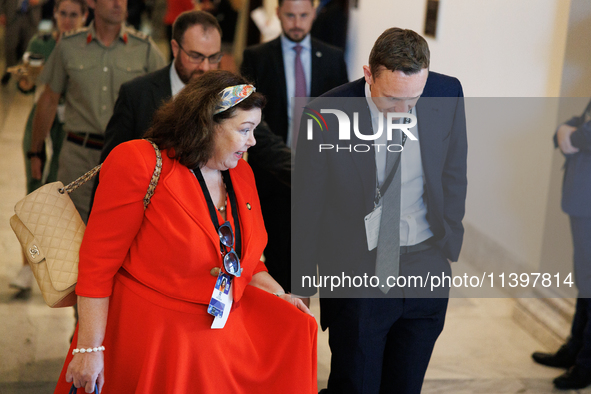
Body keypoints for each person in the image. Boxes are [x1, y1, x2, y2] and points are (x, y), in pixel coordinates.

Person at [53, 70, 318, 394]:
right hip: (150, 341)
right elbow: (97, 264)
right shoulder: (139, 162)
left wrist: (281, 295)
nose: (253, 142)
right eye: (245, 130)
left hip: (213, 341)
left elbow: (245, 263)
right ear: (208, 124)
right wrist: (89, 348)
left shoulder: (242, 173)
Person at [292, 28, 467, 394]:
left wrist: (447, 246)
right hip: (359, 270)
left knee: (405, 386)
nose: (403, 111)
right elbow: (308, 204)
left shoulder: (446, 92)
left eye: (413, 100)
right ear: (368, 74)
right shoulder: (324, 113)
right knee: (356, 385)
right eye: (391, 99)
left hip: (424, 266)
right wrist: (303, 281)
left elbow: (454, 172)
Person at [96, 10, 291, 209]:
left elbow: (269, 147)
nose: (205, 67)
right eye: (196, 56)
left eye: (213, 57)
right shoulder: (137, 94)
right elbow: (109, 167)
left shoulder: (228, 95)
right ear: (175, 48)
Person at [240, 0, 348, 292]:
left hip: (320, 178)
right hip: (273, 178)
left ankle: (302, 322)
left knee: (309, 264)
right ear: (278, 14)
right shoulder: (257, 57)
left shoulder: (333, 58)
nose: (297, 23)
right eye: (290, 15)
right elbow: (248, 122)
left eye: (303, 15)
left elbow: (342, 117)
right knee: (279, 261)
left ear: (314, 14)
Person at [28, 0, 165, 224]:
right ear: (92, 3)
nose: (118, 3)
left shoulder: (145, 49)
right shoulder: (69, 46)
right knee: (70, 234)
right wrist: (35, 152)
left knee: (117, 230)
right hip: (77, 157)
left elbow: (166, 102)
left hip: (124, 160)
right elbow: (48, 101)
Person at [9, 0, 88, 292]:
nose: (67, 20)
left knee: (59, 196)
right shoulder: (41, 43)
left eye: (73, 15)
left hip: (71, 127)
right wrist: (25, 82)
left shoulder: (86, 47)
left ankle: (54, 267)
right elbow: (25, 86)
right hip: (42, 123)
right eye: (62, 14)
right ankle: (27, 266)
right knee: (33, 195)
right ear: (54, 15)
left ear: (84, 16)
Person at [532, 99, 591, 390]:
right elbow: (569, 127)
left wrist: (574, 134)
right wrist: (568, 131)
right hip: (582, 202)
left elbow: (579, 133)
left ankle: (586, 365)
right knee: (585, 279)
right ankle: (575, 350)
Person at [0, 0, 44, 85]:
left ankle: (22, 75)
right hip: (12, 15)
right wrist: (1, 12)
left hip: (31, 17)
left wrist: (38, 1)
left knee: (27, 49)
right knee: (10, 46)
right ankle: (9, 70)